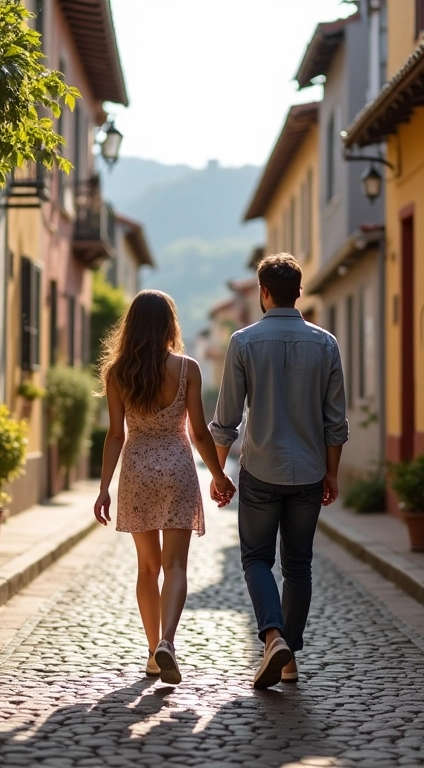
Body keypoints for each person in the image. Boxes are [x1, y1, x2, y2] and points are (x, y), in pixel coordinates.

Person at [209, 253, 348, 689]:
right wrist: (331, 474)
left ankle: (273, 637)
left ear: (264, 294)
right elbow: (335, 422)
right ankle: (288, 660)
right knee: (299, 565)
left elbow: (226, 419)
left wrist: (217, 473)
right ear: (300, 293)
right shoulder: (326, 343)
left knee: (255, 558)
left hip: (261, 470)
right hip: (308, 470)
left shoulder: (243, 342)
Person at [94, 290, 236, 685]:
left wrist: (104, 488)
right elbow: (200, 433)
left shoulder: (118, 372)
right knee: (175, 566)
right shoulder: (188, 368)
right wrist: (219, 476)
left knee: (147, 568)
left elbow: (115, 437)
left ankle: (152, 650)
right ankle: (168, 643)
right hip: (177, 468)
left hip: (137, 470)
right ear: (169, 325)